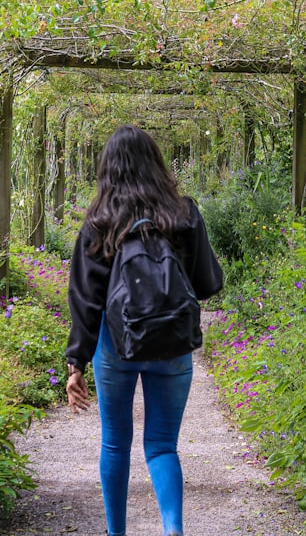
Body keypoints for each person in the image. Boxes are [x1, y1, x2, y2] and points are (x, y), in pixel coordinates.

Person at [65, 124, 224, 536]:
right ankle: (173, 530)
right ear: (157, 164)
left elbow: (85, 301)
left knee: (115, 443)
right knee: (162, 446)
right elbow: (208, 285)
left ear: (108, 170)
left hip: (114, 349)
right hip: (173, 348)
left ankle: (116, 533)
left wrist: (75, 365)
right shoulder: (184, 215)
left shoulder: (99, 223)